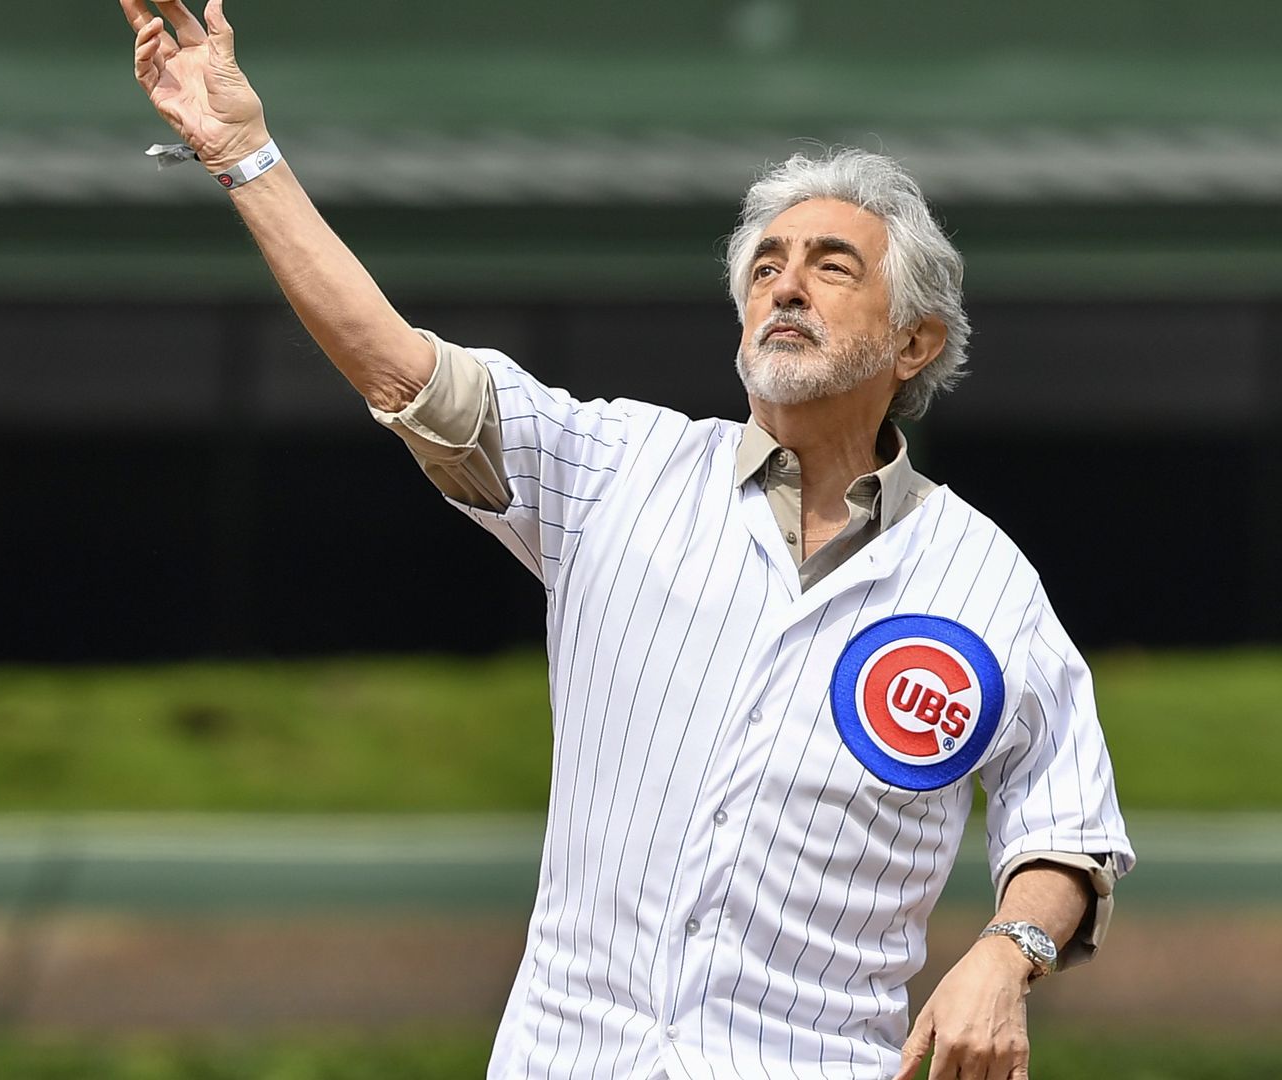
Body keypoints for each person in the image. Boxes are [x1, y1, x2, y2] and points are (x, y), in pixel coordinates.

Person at [119, 3, 1135, 1077]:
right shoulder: (616, 466)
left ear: (914, 340)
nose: (784, 283)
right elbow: (397, 369)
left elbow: (1065, 822)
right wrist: (243, 155)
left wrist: (1007, 948)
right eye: (766, 266)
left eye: (833, 266)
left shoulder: (985, 578)